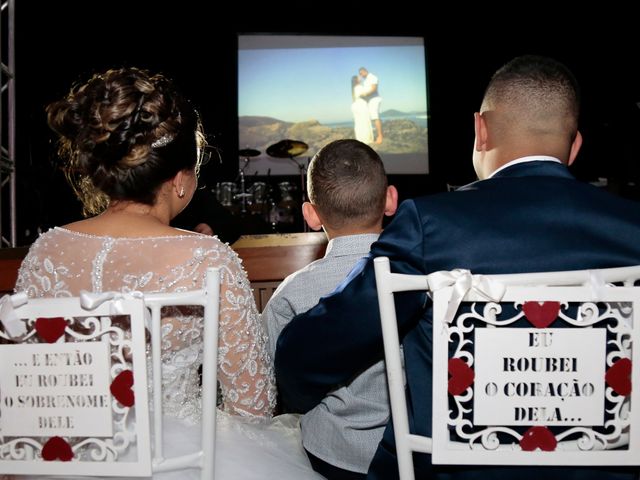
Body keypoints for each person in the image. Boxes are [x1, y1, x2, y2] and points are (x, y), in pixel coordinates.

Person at [275, 55, 640, 480]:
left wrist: (295, 386)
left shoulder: (431, 226)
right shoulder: (631, 229)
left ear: (480, 130)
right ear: (575, 145)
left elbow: (323, 344)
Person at [14, 67, 321, 479]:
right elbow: (252, 404)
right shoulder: (207, 259)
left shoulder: (46, 251)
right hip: (177, 463)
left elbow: (25, 386)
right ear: (180, 180)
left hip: (62, 459)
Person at [263, 139, 398, 479]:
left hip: (326, 457)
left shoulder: (290, 295)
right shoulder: (421, 280)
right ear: (391, 200)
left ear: (310, 214)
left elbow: (272, 385)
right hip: (409, 454)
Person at [358, 67, 383, 144]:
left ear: (365, 71)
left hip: (374, 99)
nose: (361, 76)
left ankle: (380, 136)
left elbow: (374, 89)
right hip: (370, 100)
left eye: (361, 74)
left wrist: (364, 95)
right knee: (372, 117)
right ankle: (375, 135)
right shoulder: (366, 80)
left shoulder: (372, 77)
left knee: (375, 117)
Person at [351, 76, 374, 144]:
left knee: (359, 123)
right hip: (361, 105)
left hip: (355, 105)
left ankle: (360, 138)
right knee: (364, 122)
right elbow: (366, 93)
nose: (360, 78)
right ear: (357, 80)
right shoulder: (359, 87)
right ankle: (365, 139)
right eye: (359, 78)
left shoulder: (354, 89)